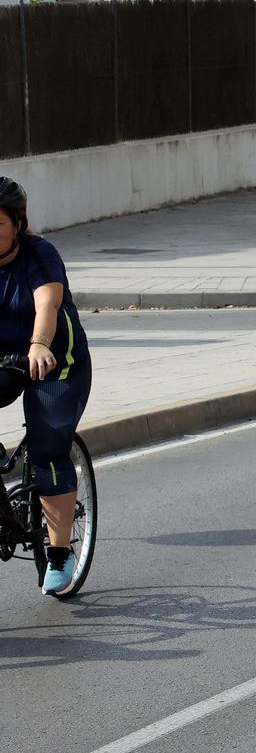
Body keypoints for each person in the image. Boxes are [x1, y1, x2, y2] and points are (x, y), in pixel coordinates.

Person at [0, 178, 92, 595]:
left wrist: (38, 344)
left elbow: (47, 304)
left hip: (56, 359)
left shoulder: (39, 255)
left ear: (17, 223)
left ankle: (59, 552)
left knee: (48, 445)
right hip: (5, 358)